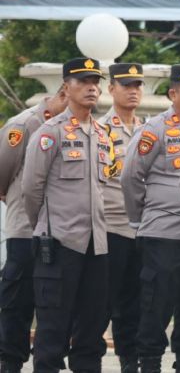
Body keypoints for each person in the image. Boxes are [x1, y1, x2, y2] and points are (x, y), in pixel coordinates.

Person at [22, 57, 113, 372]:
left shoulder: (101, 134)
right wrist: (46, 228)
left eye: (95, 82)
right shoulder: (50, 132)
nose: (91, 88)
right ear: (66, 87)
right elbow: (31, 190)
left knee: (91, 329)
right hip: (60, 244)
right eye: (82, 81)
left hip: (97, 246)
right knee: (52, 330)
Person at [121, 64, 180, 373]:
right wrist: (141, 218)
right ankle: (150, 362)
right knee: (157, 303)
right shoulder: (154, 129)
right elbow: (131, 177)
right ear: (173, 93)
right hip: (163, 234)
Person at [0, 88, 67, 373]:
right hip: (25, 229)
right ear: (65, 92)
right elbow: (2, 171)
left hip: (59, 230)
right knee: (18, 299)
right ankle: (10, 360)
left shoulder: (75, 124)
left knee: (54, 300)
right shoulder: (24, 123)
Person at [97, 63, 145, 373]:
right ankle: (89, 358)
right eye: (126, 85)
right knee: (102, 300)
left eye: (138, 85)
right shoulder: (101, 128)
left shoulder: (147, 128)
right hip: (111, 226)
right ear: (112, 89)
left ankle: (129, 359)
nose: (133, 91)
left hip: (140, 228)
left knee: (134, 301)